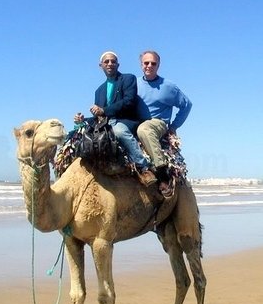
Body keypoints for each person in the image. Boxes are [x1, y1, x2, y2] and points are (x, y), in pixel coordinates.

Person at [74, 51, 157, 187]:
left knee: (118, 131)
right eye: (106, 61)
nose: (110, 64)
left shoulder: (128, 79)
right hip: (106, 123)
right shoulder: (99, 91)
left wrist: (104, 110)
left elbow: (128, 101)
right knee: (76, 133)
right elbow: (99, 116)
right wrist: (82, 119)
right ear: (101, 65)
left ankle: (143, 168)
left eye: (113, 61)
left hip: (126, 121)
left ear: (118, 64)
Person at [136, 50, 192, 195]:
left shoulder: (168, 86)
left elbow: (187, 105)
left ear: (158, 65)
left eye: (153, 63)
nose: (149, 66)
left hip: (157, 123)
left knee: (144, 129)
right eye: (146, 63)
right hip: (135, 122)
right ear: (141, 64)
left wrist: (174, 126)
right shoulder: (134, 83)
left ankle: (162, 171)